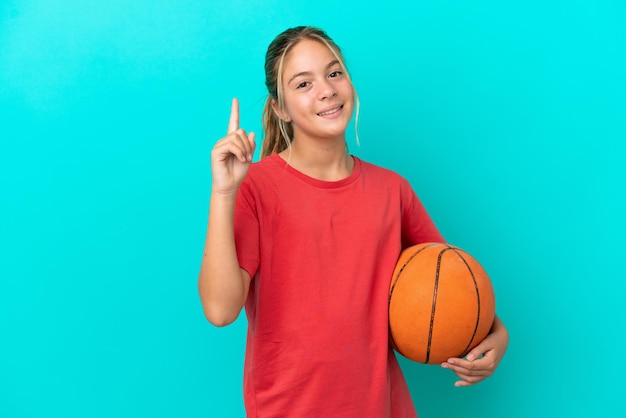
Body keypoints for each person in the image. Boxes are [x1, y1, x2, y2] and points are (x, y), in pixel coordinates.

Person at [199, 26, 509, 417]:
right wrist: (224, 193)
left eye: (334, 73)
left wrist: (498, 333)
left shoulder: (392, 191)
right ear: (280, 108)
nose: (326, 90)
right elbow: (220, 310)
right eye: (303, 84)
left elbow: (451, 284)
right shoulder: (255, 187)